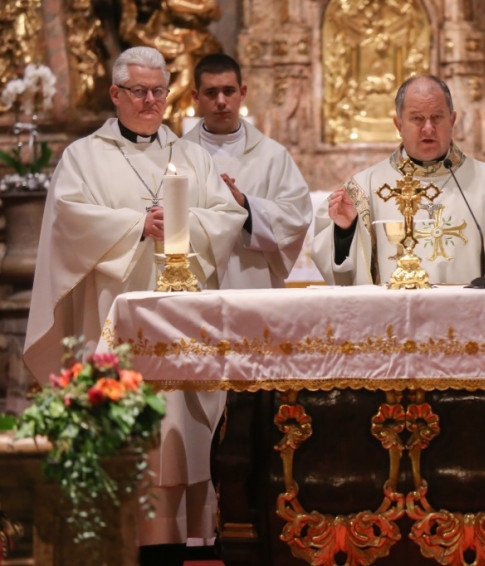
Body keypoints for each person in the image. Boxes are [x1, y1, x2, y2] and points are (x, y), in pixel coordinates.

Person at [22, 46, 247, 566]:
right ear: (115, 94)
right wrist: (136, 226)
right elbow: (68, 221)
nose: (150, 101)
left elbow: (227, 218)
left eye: (158, 91)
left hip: (180, 329)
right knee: (128, 446)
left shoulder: (192, 157)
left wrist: (180, 226)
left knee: (181, 438)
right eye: (139, 91)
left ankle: (181, 544)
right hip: (112, 326)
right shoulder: (83, 157)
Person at [312, 74, 485, 285]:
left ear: (452, 120)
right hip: (394, 309)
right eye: (417, 118)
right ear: (399, 125)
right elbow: (333, 263)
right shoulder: (364, 188)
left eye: (437, 117)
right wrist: (345, 232)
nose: (428, 128)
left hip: (466, 308)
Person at [184, 53, 312, 288]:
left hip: (254, 279)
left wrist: (246, 205)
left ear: (242, 93)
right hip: (195, 282)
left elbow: (296, 217)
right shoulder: (178, 155)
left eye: (228, 91)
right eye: (211, 93)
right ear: (195, 97)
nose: (221, 101)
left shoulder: (272, 155)